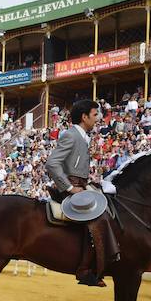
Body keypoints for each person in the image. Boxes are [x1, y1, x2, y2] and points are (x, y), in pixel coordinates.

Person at [45, 99, 119, 286]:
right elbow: (52, 163)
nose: (98, 118)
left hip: (81, 184)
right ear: (84, 117)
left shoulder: (83, 136)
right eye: (95, 115)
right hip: (71, 187)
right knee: (98, 217)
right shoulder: (71, 135)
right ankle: (85, 269)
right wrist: (69, 188)